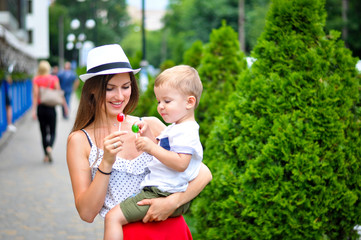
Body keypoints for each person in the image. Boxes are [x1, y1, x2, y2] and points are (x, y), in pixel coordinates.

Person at [66, 44, 212, 239]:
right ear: (92, 90)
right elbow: (87, 213)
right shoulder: (80, 140)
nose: (119, 96)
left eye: (125, 87)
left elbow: (203, 172)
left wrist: (173, 202)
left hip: (171, 229)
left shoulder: (149, 125)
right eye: (110, 89)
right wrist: (106, 162)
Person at [104, 65, 204, 239]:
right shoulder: (176, 128)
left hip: (162, 192)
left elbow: (181, 163)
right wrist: (149, 136)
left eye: (167, 101)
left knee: (113, 217)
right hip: (163, 191)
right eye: (159, 102)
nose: (161, 107)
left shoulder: (186, 132)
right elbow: (163, 152)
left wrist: (152, 147)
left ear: (189, 102)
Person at [32, 60, 68, 163]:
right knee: (52, 131)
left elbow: (35, 95)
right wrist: (65, 106)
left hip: (41, 108)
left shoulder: (36, 79)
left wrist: (34, 110)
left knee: (43, 132)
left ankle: (46, 155)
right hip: (51, 109)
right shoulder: (54, 78)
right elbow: (59, 93)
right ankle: (50, 147)